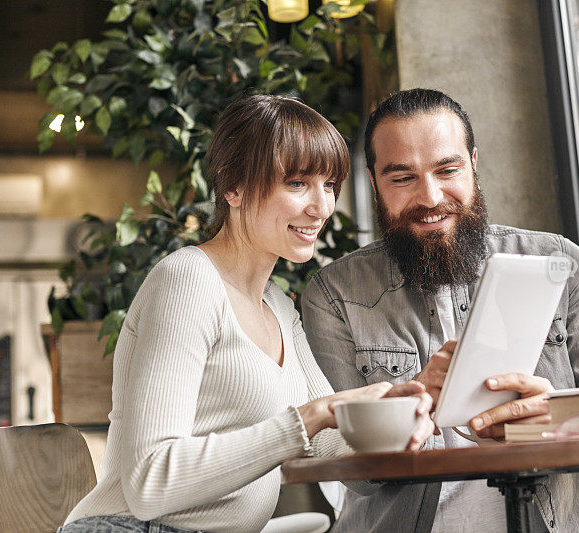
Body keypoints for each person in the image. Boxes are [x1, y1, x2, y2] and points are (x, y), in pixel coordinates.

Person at [60, 95, 434, 533]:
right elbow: (150, 484)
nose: (322, 207)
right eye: (297, 183)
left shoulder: (277, 305)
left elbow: (334, 445)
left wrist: (413, 402)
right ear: (232, 186)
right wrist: (312, 416)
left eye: (330, 184)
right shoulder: (187, 280)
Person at [301, 88, 579, 532]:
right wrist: (407, 403)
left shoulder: (560, 262)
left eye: (447, 169)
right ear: (374, 181)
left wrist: (554, 417)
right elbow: (345, 463)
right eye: (402, 178)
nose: (431, 196)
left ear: (473, 164)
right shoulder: (333, 294)